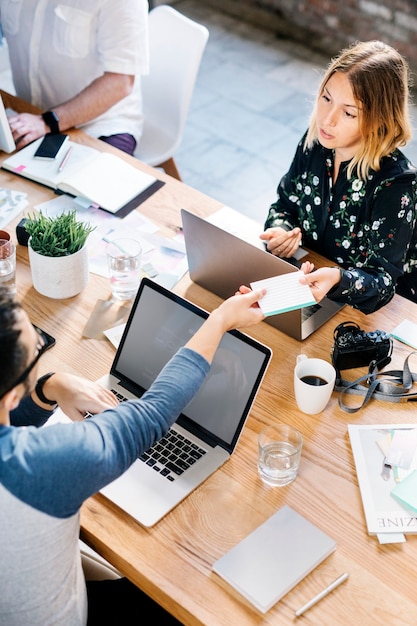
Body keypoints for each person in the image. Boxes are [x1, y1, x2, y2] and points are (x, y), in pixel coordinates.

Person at [0, 284, 265, 625]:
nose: (39, 347)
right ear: (9, 396)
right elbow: (154, 413)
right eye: (36, 349)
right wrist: (220, 320)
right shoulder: (42, 466)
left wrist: (48, 386)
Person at [261, 40, 417, 314]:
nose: (327, 119)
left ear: (379, 119)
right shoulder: (316, 144)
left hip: (376, 312)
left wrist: (338, 278)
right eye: (326, 98)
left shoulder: (396, 184)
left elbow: (382, 281)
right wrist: (281, 231)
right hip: (307, 285)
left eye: (348, 112)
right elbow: (285, 204)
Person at [0, 0, 149, 155]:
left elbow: (120, 83)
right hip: (28, 115)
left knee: (85, 179)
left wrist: (46, 122)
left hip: (100, 126)